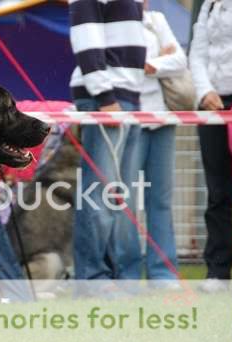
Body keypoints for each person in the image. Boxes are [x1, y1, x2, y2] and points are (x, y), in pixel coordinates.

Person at [68, 0, 146, 293]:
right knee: (99, 194)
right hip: (107, 98)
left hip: (128, 97)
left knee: (122, 197)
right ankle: (91, 279)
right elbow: (85, 36)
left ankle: (120, 278)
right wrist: (105, 97)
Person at [123, 1, 187, 287]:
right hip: (129, 119)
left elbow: (180, 60)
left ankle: (163, 272)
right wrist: (161, 60)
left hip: (162, 119)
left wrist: (152, 65)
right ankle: (128, 273)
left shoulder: (157, 19)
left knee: (160, 200)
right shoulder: (114, 21)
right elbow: (122, 65)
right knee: (124, 202)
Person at [190, 0, 232, 291]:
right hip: (213, 104)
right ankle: (218, 272)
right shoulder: (207, 4)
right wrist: (204, 90)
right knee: (217, 190)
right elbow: (197, 53)